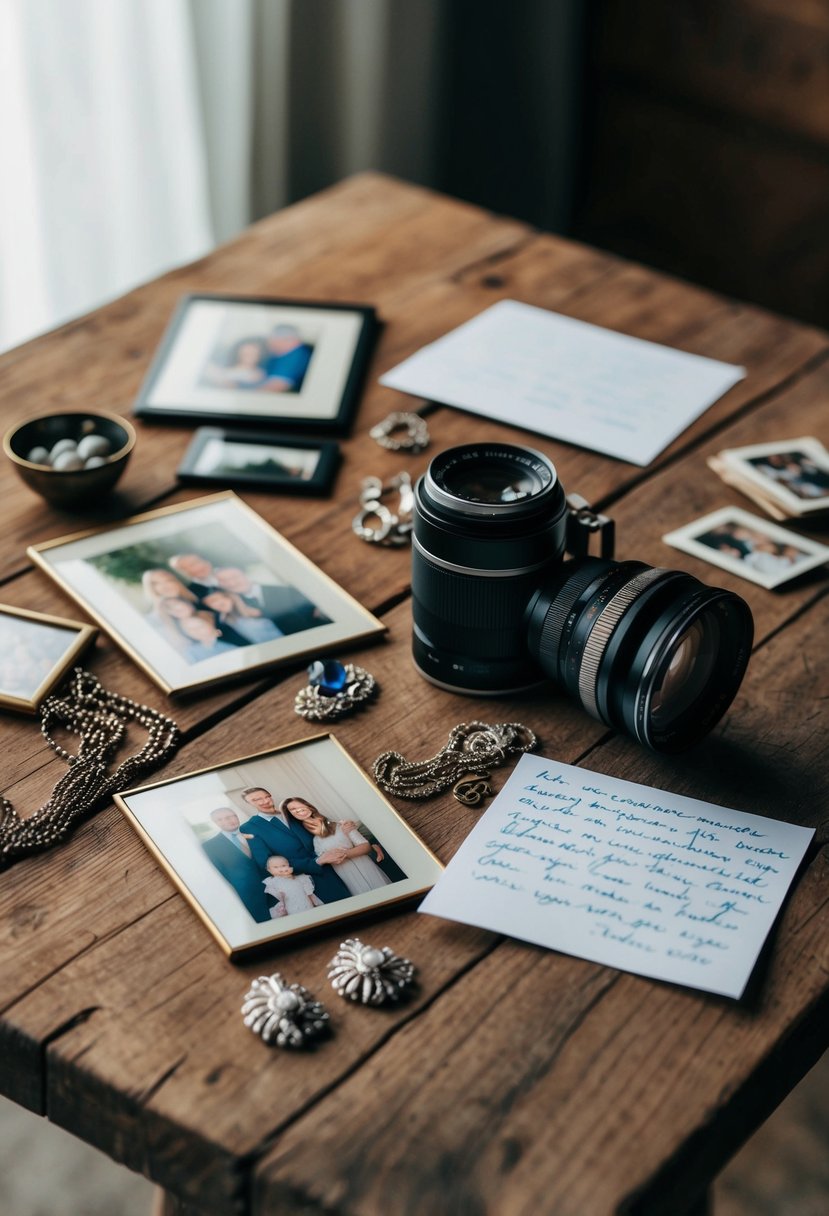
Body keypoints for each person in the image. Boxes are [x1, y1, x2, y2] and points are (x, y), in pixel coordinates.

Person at [241, 786, 351, 904]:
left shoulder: (291, 812)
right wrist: (316, 862)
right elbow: (266, 862)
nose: (264, 802)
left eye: (266, 797)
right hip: (304, 878)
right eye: (256, 800)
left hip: (340, 865)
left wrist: (342, 826)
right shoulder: (249, 827)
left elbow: (322, 824)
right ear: (248, 803)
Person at [282, 796, 392, 896]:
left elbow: (365, 846)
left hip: (368, 869)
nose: (298, 810)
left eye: (299, 806)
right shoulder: (315, 841)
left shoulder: (341, 825)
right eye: (292, 809)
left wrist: (344, 854)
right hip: (348, 878)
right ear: (292, 816)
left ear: (308, 806)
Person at [201, 807, 272, 922]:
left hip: (276, 887)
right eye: (221, 819)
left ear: (236, 816)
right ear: (215, 823)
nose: (228, 821)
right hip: (248, 897)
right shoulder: (209, 846)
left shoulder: (255, 833)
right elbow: (220, 874)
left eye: (230, 816)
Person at [214, 565, 331, 633]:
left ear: (245, 574)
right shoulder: (232, 606)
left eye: (234, 577)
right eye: (224, 581)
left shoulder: (285, 590)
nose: (232, 583)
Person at [201, 590, 283, 644]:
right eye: (210, 604)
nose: (215, 604)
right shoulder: (222, 623)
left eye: (215, 599)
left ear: (228, 597)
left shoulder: (253, 607)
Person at [261, 324, 314, 393]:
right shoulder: (280, 354)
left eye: (273, 340)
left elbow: (275, 387)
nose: (269, 343)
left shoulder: (297, 356)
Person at [204, 337, 268, 389]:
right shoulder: (226, 371)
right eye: (246, 354)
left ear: (258, 356)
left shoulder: (259, 374)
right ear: (239, 353)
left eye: (253, 354)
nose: (249, 357)